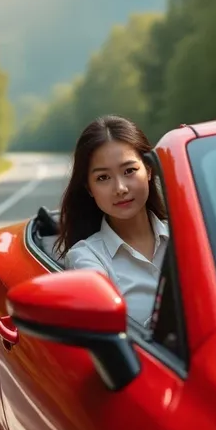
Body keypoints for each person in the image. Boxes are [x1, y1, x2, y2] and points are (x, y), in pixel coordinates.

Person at [55, 115, 169, 326]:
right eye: (103, 178)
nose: (120, 188)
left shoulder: (188, 233)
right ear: (89, 188)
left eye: (129, 171)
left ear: (149, 170)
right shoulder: (86, 258)